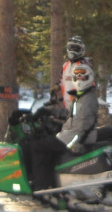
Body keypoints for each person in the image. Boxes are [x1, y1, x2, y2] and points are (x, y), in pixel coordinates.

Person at [31, 62, 99, 191]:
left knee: (38, 146)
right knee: (49, 144)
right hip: (74, 135)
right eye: (77, 76)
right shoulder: (84, 96)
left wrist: (67, 135)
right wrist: (52, 112)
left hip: (74, 138)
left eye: (82, 76)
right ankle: (52, 180)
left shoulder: (86, 98)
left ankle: (40, 186)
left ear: (89, 77)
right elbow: (73, 115)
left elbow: (80, 124)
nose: (79, 79)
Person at [60, 36, 93, 109]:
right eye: (71, 48)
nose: (73, 50)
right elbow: (62, 81)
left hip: (79, 103)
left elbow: (90, 84)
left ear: (81, 50)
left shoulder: (83, 65)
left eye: (76, 49)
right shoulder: (65, 65)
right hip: (66, 103)